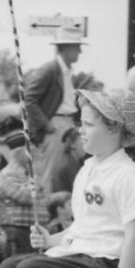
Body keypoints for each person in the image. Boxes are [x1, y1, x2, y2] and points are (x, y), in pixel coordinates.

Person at [0, 88, 135, 268]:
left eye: (88, 125)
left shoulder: (128, 174)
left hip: (113, 267)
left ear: (114, 128)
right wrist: (51, 240)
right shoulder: (88, 169)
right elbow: (83, 228)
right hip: (88, 257)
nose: (81, 131)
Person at [23, 27, 86, 188]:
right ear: (66, 49)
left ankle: (61, 208)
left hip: (67, 124)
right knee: (51, 172)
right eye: (77, 48)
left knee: (67, 169)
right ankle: (49, 209)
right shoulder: (49, 70)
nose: (80, 52)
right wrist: (46, 124)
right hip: (56, 124)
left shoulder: (65, 72)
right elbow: (28, 99)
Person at [0, 128, 44, 258]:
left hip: (31, 229)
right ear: (19, 152)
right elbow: (26, 197)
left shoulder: (28, 172)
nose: (33, 153)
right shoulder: (8, 174)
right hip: (17, 229)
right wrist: (37, 176)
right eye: (30, 149)